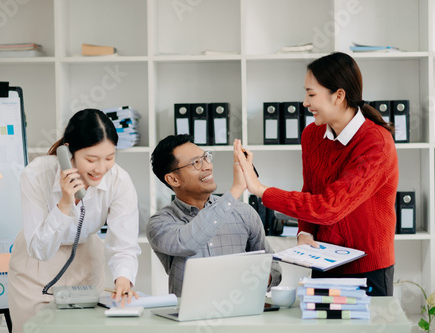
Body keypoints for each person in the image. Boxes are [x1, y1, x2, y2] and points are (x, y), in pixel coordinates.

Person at [236, 52, 398, 296]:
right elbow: (311, 190)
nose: (305, 102)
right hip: (324, 260)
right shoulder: (312, 135)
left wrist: (261, 190)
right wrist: (305, 232)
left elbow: (330, 206)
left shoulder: (376, 143)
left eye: (311, 94)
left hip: (368, 267)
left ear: (339, 95)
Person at [8, 109, 141, 332]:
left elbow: (124, 244)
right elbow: (39, 249)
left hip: (86, 263)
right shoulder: (36, 175)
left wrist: (123, 279)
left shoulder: (120, 180)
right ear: (68, 151)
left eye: (109, 158)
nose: (101, 169)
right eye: (91, 159)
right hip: (36, 268)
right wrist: (65, 203)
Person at [147, 134, 282, 297]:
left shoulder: (244, 213)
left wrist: (253, 279)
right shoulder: (160, 223)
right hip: (188, 319)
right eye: (196, 162)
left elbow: (273, 268)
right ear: (173, 179)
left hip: (241, 314)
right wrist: (236, 189)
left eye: (206, 157)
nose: (207, 166)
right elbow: (188, 242)